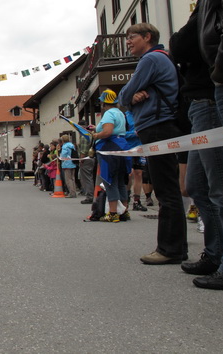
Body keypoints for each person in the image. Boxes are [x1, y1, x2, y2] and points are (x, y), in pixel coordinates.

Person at [171, 0, 223, 290]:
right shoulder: (205, 5)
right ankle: (215, 252)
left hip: (208, 99)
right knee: (196, 186)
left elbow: (182, 45)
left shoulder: (211, 2)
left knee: (220, 186)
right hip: (198, 103)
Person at [119, 23, 188, 265]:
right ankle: (176, 247)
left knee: (166, 189)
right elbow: (129, 95)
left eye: (132, 37)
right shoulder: (162, 57)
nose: (128, 42)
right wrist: (133, 96)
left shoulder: (150, 60)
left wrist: (131, 97)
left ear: (147, 37)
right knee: (168, 187)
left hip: (157, 126)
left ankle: (170, 249)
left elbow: (123, 95)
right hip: (161, 126)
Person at [189, 0, 223, 290]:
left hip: (214, 90)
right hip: (207, 94)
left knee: (221, 185)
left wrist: (220, 69)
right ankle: (216, 253)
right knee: (202, 186)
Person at [92, 90, 132, 222]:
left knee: (109, 180)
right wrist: (96, 128)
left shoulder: (108, 113)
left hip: (109, 147)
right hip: (122, 145)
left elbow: (108, 132)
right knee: (121, 181)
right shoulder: (120, 113)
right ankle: (124, 212)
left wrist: (96, 135)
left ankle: (113, 213)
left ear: (103, 103)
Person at [77, 121, 95, 204]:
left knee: (86, 178)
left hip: (86, 159)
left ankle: (89, 196)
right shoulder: (90, 134)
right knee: (89, 177)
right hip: (91, 158)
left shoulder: (84, 136)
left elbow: (83, 151)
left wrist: (81, 160)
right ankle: (90, 194)